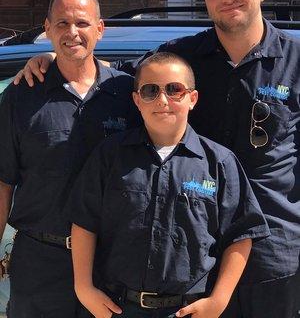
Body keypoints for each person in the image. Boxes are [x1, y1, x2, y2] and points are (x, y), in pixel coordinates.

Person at [14, 0, 300, 317]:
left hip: (273, 257)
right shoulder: (181, 57)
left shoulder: (296, 62)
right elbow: (107, 75)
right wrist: (58, 55)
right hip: (192, 265)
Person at [68, 52, 269, 318]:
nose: (163, 100)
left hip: (189, 310)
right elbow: (84, 222)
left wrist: (219, 300)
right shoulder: (110, 156)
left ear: (192, 99)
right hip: (116, 307)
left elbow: (241, 235)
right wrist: (83, 287)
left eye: (175, 90)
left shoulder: (219, 162)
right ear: (137, 100)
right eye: (151, 91)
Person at [0, 0, 140, 318]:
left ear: (100, 29)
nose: (72, 32)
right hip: (39, 262)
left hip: (111, 261)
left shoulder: (126, 92)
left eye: (82, 23)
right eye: (62, 23)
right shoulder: (22, 95)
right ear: (47, 29)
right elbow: (3, 182)